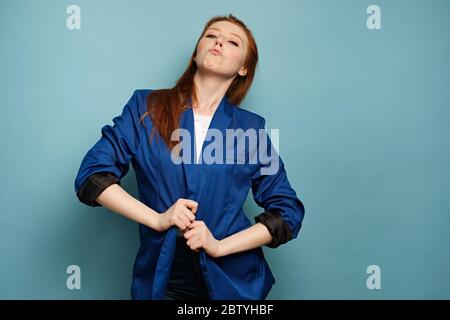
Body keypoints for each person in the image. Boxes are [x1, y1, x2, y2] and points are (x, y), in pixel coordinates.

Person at [74, 14, 305, 300]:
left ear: (243, 68)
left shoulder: (251, 130)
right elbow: (92, 177)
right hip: (162, 281)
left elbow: (288, 212)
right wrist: (158, 219)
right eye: (211, 35)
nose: (219, 41)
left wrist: (220, 246)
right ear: (196, 53)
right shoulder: (145, 107)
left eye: (233, 42)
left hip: (233, 285)